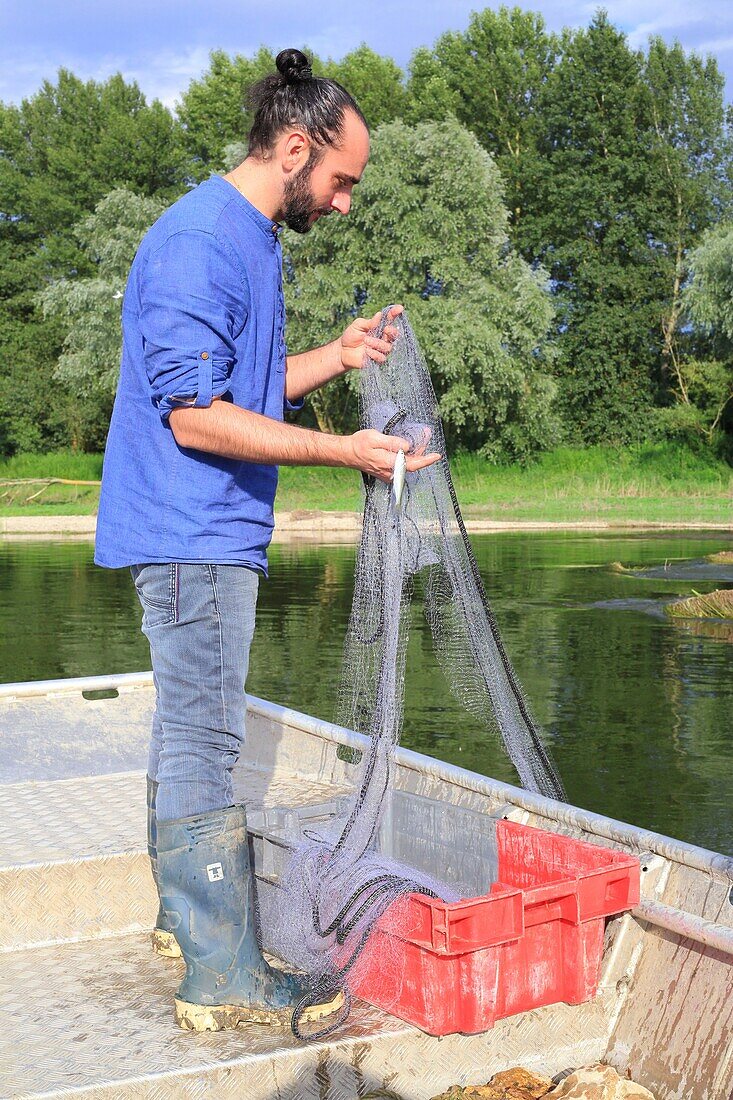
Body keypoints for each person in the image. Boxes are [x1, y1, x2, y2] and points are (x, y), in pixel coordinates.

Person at [95, 47, 440, 1033]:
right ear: (293, 148)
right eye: (340, 181)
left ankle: (184, 922)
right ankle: (224, 975)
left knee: (186, 729)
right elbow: (196, 419)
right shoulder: (202, 240)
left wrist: (333, 357)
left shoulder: (250, 240)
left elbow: (239, 389)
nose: (343, 203)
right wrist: (346, 452)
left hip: (211, 532)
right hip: (192, 533)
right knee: (206, 739)